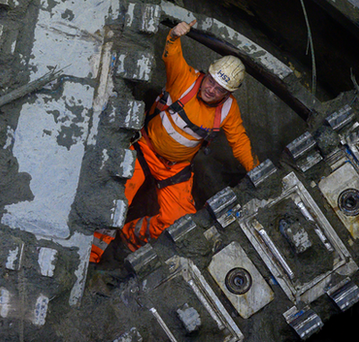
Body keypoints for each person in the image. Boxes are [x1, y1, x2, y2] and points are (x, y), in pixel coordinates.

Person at [90, 20, 257, 263]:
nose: (211, 89)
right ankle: (90, 257)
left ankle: (128, 241)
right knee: (113, 202)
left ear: (228, 94)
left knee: (181, 224)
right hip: (145, 149)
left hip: (175, 168)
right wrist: (174, 36)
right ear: (207, 73)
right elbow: (172, 56)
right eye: (211, 81)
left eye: (220, 89)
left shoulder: (228, 110)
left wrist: (255, 170)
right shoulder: (185, 80)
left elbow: (239, 141)